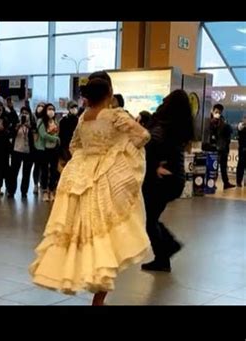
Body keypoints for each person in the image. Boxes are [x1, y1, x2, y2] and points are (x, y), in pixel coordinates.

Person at [30, 78, 151, 306]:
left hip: (79, 176)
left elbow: (75, 145)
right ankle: (99, 294)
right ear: (109, 93)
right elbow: (143, 136)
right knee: (105, 230)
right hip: (104, 176)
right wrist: (117, 151)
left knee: (82, 229)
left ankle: (92, 286)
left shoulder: (84, 117)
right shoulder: (115, 115)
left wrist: (88, 157)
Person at [141, 89, 194, 273]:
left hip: (162, 179)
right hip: (172, 179)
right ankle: (165, 253)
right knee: (150, 217)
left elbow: (153, 144)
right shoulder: (178, 125)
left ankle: (167, 249)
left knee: (148, 218)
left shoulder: (163, 124)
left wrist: (154, 164)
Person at [7, 106, 35, 198]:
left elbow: (35, 136)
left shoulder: (32, 124)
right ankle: (11, 191)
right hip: (16, 151)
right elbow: (10, 135)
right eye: (22, 112)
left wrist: (30, 128)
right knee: (13, 172)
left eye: (26, 113)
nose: (24, 114)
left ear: (29, 115)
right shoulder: (16, 123)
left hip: (29, 152)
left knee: (26, 173)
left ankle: (24, 192)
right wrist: (17, 127)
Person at [36, 103, 60, 202]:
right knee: (44, 171)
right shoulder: (41, 121)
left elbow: (57, 131)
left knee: (54, 170)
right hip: (44, 149)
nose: (51, 111)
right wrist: (55, 138)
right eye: (49, 109)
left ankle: (51, 190)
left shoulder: (55, 122)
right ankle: (45, 191)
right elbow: (43, 134)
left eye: (53, 109)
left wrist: (55, 137)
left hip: (54, 149)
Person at [209, 103, 235, 189]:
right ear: (213, 111)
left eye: (219, 112)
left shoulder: (222, 122)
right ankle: (212, 183)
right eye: (216, 111)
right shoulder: (210, 121)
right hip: (214, 147)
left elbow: (229, 130)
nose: (218, 114)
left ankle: (225, 183)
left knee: (223, 166)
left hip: (222, 148)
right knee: (214, 166)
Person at [58, 101, 79, 169]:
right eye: (72, 107)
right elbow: (61, 134)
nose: (74, 109)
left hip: (76, 147)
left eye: (75, 107)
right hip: (66, 146)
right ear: (68, 109)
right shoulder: (64, 120)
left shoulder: (79, 120)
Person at [32, 102, 45, 194]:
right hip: (35, 147)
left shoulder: (47, 120)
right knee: (37, 166)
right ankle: (36, 184)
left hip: (45, 147)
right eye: (39, 106)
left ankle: (43, 184)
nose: (40, 108)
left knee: (44, 167)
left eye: (42, 107)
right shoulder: (33, 119)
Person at [236, 115, 246, 187]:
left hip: (242, 148)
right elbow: (239, 128)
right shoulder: (241, 127)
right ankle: (239, 181)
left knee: (241, 166)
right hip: (242, 149)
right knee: (241, 166)